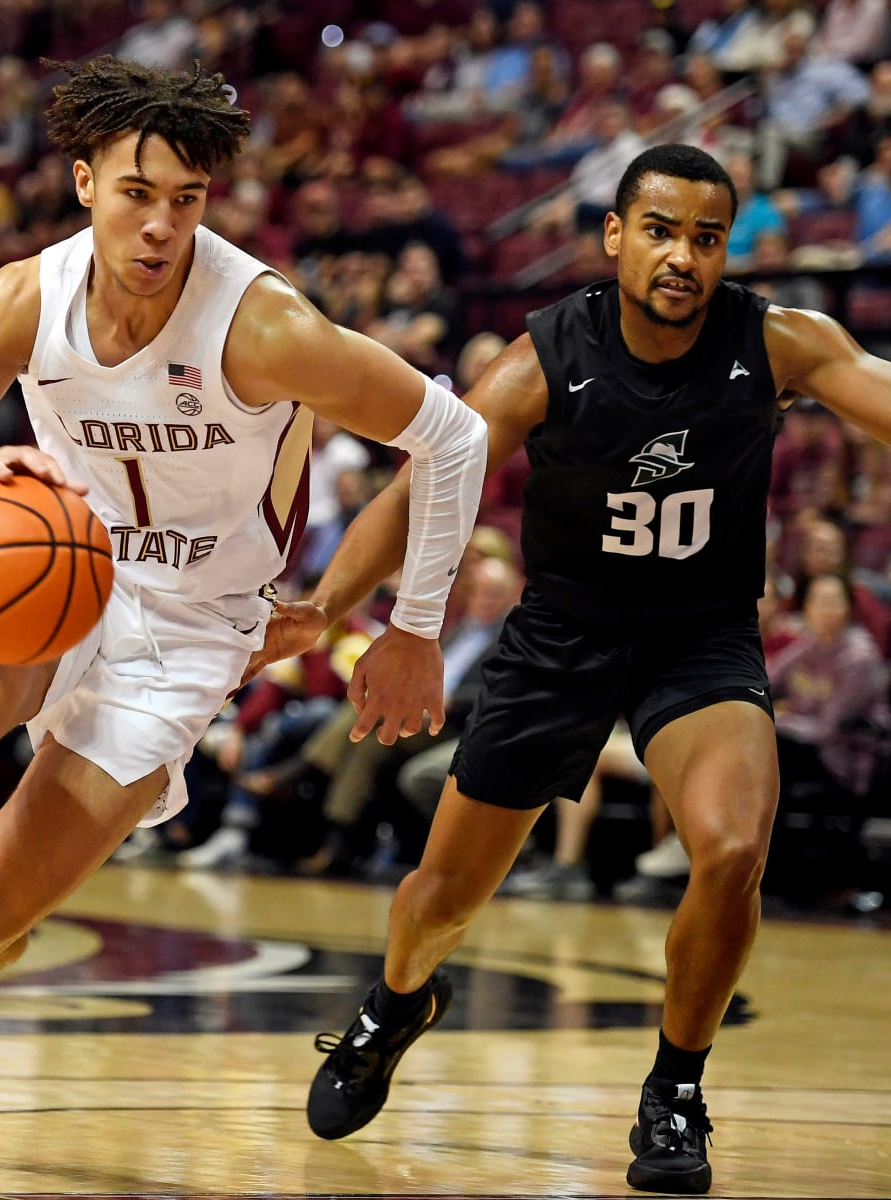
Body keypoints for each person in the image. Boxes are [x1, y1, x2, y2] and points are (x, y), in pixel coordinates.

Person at [0, 56, 486, 1095]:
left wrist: (411, 626)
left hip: (195, 627)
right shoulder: (26, 298)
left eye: (186, 201)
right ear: (83, 183)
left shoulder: (265, 326)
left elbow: (455, 436)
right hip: (57, 564)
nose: (161, 225)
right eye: (137, 194)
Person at [248, 143, 891, 1195]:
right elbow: (421, 488)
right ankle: (398, 1001)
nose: (683, 256)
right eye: (661, 231)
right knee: (440, 899)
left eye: (707, 237)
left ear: (728, 248)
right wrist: (329, 606)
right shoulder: (548, 356)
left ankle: (675, 1091)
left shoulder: (775, 342)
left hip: (701, 638)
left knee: (731, 850)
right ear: (615, 238)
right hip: (563, 638)